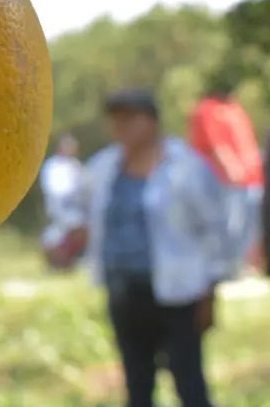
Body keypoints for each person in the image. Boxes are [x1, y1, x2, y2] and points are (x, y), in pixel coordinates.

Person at [74, 89, 234, 407]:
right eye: (116, 120)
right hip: (124, 290)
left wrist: (210, 292)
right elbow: (81, 218)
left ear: (152, 122)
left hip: (176, 292)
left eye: (130, 118)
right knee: (137, 381)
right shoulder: (102, 168)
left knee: (188, 380)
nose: (121, 127)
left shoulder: (185, 168)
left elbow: (214, 231)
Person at [187, 84, 265, 273]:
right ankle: (226, 267)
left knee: (249, 226)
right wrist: (230, 169)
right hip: (226, 180)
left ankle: (242, 265)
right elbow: (216, 144)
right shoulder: (208, 109)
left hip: (251, 178)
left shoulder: (233, 109)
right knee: (230, 226)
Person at [39, 133, 86, 269]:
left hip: (77, 208)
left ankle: (70, 261)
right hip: (59, 208)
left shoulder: (76, 166)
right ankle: (55, 262)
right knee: (56, 236)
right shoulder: (53, 166)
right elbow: (54, 190)